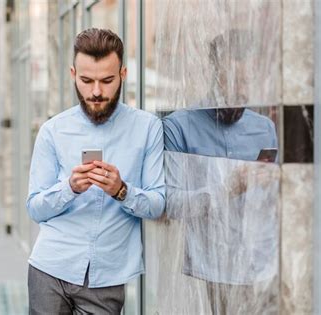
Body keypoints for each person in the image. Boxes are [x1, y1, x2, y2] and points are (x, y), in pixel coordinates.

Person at [26, 28, 165, 314]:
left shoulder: (148, 128)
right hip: (50, 268)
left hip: (108, 277)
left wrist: (121, 190)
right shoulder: (53, 130)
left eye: (107, 80)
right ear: (73, 73)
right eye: (86, 80)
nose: (97, 92)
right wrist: (69, 188)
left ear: (123, 75)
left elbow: (158, 204)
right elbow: (35, 208)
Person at [163, 30, 279, 315]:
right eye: (235, 81)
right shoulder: (179, 127)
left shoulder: (264, 128)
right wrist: (229, 187)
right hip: (205, 274)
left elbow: (272, 205)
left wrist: (278, 182)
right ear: (214, 71)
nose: (242, 92)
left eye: (249, 82)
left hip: (259, 268)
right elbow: (171, 205)